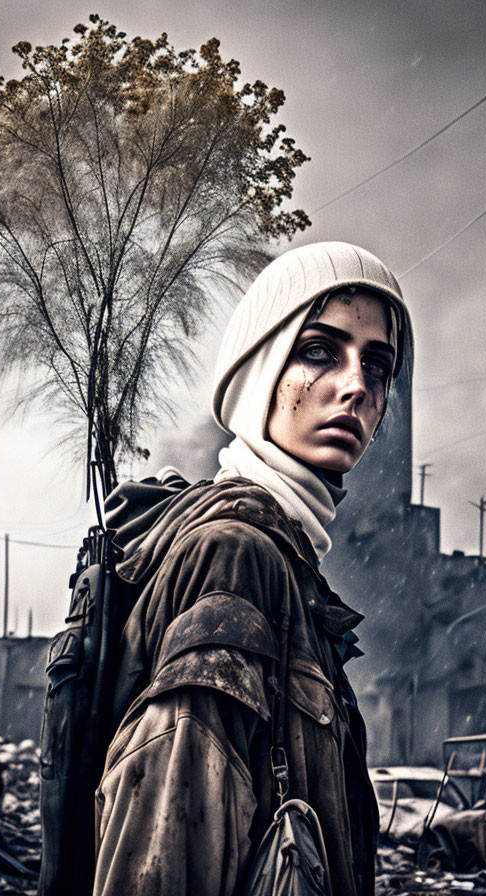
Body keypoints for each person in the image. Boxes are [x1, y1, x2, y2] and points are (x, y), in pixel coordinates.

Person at [92, 241, 413, 896]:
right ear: (260, 370)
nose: (357, 386)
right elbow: (165, 855)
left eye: (376, 366)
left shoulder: (288, 568)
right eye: (320, 351)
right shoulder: (235, 558)